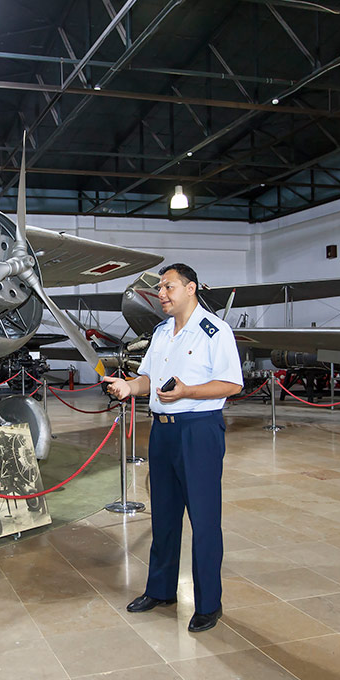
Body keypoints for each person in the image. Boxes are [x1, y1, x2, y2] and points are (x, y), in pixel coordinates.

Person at [102, 263, 242, 632]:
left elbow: (231, 384)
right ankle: (161, 589)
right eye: (161, 288)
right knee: (164, 516)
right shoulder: (162, 332)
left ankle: (209, 603)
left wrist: (188, 392)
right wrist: (130, 387)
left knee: (204, 520)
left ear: (191, 288)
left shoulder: (215, 331)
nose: (161, 294)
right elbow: (149, 378)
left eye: (168, 287)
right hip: (162, 432)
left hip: (198, 431)